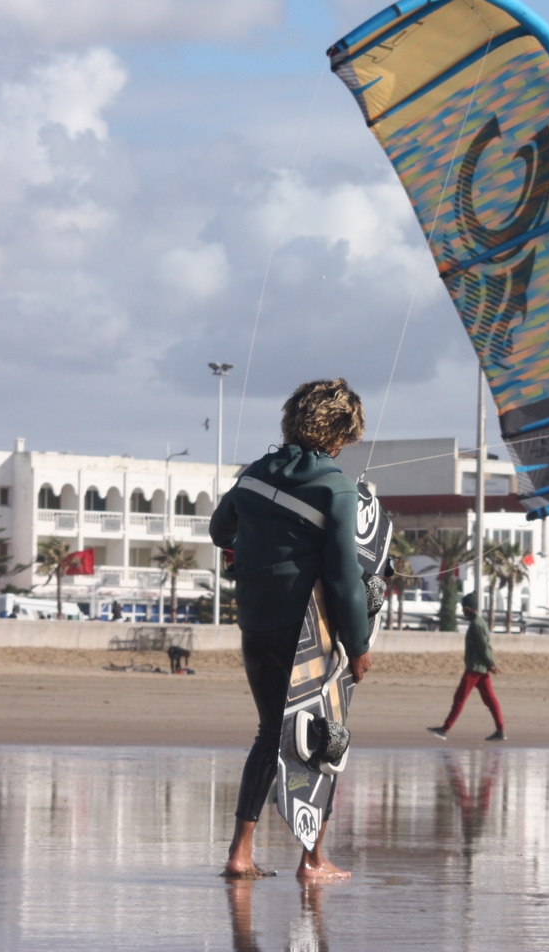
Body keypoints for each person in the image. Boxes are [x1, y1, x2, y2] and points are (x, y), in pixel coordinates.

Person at [212, 378, 373, 882]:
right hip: (310, 631)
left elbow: (220, 531)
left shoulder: (253, 474)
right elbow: (346, 576)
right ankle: (312, 859)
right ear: (339, 434)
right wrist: (359, 643)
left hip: (256, 622)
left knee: (268, 734)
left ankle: (241, 852)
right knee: (325, 737)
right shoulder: (337, 487)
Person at [427, 592, 505, 741]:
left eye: (464, 607)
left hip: (475, 669)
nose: (462, 610)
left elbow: (484, 647)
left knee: (459, 699)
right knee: (490, 700)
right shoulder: (477, 622)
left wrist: (492, 665)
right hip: (480, 669)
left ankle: (444, 730)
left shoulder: (477, 624)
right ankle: (500, 731)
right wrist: (489, 665)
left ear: (470, 608)